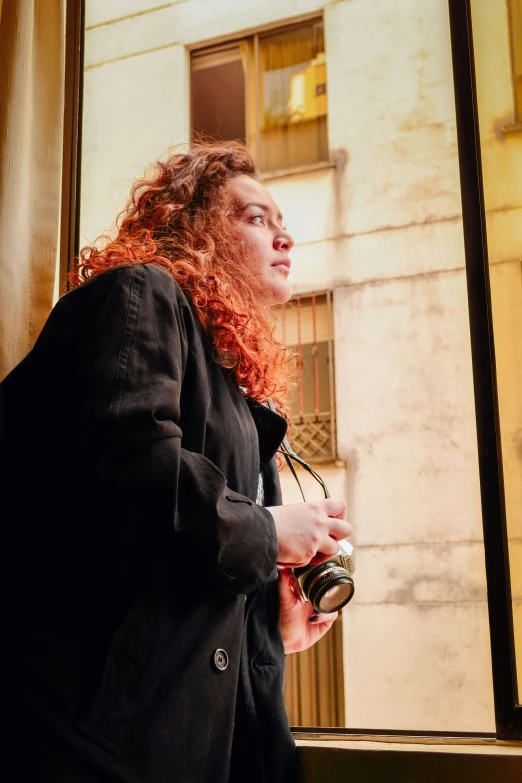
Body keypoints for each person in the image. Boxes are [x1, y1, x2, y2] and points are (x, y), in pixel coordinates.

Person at [1, 141, 352, 783]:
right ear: (196, 230)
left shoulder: (234, 394)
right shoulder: (141, 295)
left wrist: (269, 627)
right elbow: (132, 477)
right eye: (255, 218)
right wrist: (271, 531)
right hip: (85, 749)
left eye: (281, 222)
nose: (285, 236)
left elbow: (175, 573)